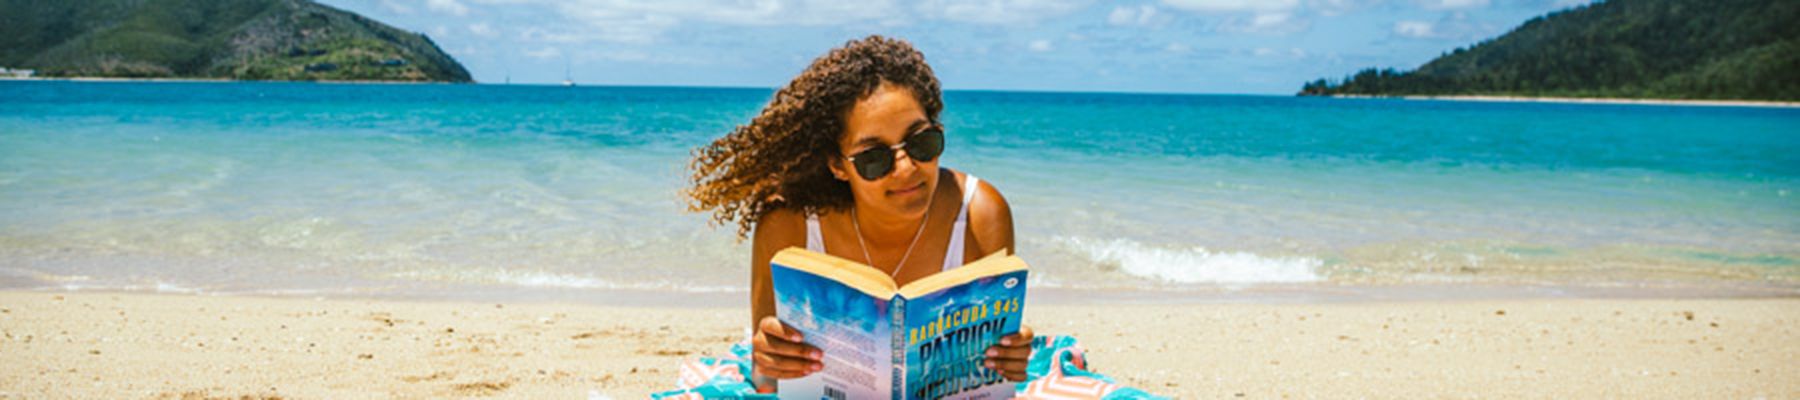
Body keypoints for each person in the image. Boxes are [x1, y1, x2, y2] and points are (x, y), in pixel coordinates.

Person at [685, 35, 1032, 393]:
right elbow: (765, 381)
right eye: (874, 157)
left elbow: (998, 380)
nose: (906, 168)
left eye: (921, 142)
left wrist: (1011, 358)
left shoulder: (980, 214)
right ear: (837, 164)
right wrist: (769, 361)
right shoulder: (789, 223)